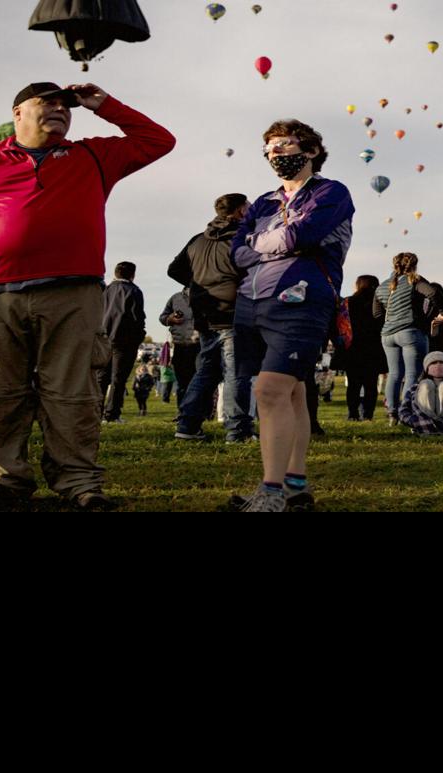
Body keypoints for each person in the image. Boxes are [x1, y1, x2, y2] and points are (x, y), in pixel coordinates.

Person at [0, 81, 174, 511]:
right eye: (46, 103)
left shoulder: (92, 155)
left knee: (74, 393)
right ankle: (2, 481)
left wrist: (102, 104)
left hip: (74, 293)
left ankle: (79, 483)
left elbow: (158, 141)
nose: (59, 109)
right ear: (17, 114)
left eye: (65, 105)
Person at [227, 119, 354, 513]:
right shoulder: (264, 202)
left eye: (283, 144)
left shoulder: (332, 192)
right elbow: (237, 252)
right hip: (253, 301)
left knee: (268, 392)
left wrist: (261, 242)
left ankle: (271, 493)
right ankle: (295, 485)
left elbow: (303, 236)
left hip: (300, 300)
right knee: (292, 391)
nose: (275, 152)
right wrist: (271, 242)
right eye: (268, 147)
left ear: (311, 150)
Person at [168, 193, 254, 443]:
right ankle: (238, 430)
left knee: (207, 370)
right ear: (239, 212)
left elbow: (174, 269)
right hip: (232, 313)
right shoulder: (243, 239)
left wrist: (199, 285)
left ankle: (188, 425)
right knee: (235, 372)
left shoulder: (198, 241)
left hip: (205, 315)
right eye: (248, 207)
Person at [379, 253, 431, 423]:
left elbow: (376, 313)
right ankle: (406, 412)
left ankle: (392, 413)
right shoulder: (415, 281)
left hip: (388, 334)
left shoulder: (382, 286)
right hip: (409, 331)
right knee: (412, 374)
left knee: (394, 374)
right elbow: (434, 294)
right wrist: (438, 314)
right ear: (414, 265)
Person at [98, 261, 146, 423]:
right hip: (124, 341)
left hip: (103, 339)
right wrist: (139, 336)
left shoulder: (105, 290)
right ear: (132, 274)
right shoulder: (133, 291)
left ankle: (95, 412)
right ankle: (112, 414)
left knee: (101, 378)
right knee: (118, 379)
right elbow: (137, 318)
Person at [338, 275, 386, 420]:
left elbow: (340, 324)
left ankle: (353, 414)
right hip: (374, 347)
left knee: (353, 384)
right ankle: (368, 414)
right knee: (371, 383)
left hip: (352, 347)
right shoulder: (381, 303)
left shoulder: (347, 302)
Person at [158, 286, 197, 403]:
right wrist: (170, 319)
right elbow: (162, 317)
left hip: (200, 345)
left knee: (199, 380)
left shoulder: (204, 296)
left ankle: (201, 412)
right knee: (182, 382)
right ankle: (183, 412)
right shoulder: (175, 298)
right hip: (180, 345)